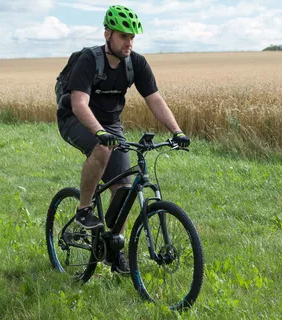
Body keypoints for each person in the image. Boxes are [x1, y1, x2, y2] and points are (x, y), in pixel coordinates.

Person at [57, 5, 190, 273]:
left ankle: (114, 252)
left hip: (111, 125)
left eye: (132, 37)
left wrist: (177, 131)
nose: (129, 42)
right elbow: (79, 103)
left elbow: (155, 100)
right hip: (75, 119)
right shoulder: (89, 59)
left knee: (124, 189)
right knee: (101, 148)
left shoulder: (136, 63)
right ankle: (84, 210)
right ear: (108, 34)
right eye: (123, 36)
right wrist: (100, 133)